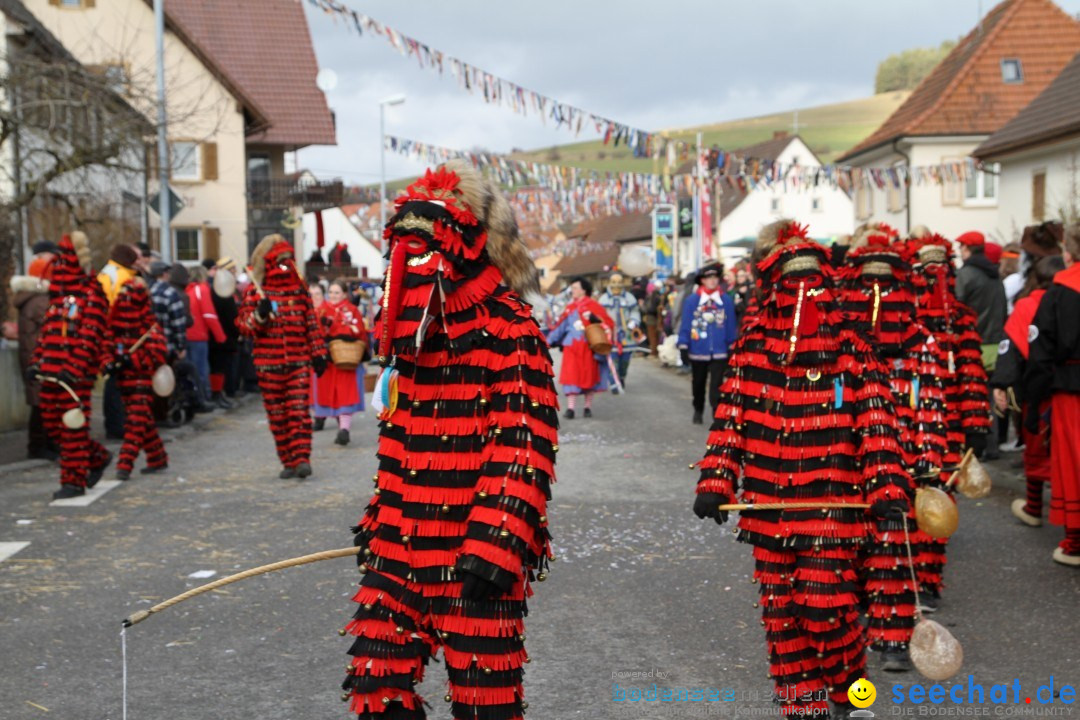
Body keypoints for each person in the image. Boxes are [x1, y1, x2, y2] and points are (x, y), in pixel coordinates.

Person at [343, 161, 558, 720]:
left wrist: (496, 544)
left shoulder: (513, 331)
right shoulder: (407, 339)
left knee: (483, 707)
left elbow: (523, 449)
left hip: (476, 558)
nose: (409, 266)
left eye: (423, 252)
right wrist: (380, 519)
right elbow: (398, 444)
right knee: (374, 685)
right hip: (399, 551)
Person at [692, 220, 911, 718]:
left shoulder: (853, 352)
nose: (802, 295)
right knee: (783, 618)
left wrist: (888, 488)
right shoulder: (750, 353)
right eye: (792, 284)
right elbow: (729, 422)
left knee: (824, 607)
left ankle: (855, 698)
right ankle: (804, 709)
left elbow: (877, 426)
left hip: (833, 504)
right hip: (769, 507)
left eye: (813, 284)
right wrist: (714, 481)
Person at [839, 232, 948, 673]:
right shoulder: (840, 343)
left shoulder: (920, 342)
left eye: (885, 287)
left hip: (900, 458)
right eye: (867, 286)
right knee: (843, 547)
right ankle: (847, 634)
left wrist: (927, 458)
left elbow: (931, 404)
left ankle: (891, 637)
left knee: (893, 546)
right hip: (848, 458)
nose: (877, 298)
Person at [910, 234, 991, 603]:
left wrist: (976, 425)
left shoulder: (959, 319)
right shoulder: (904, 317)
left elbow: (971, 372)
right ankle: (902, 577)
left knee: (939, 496)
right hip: (908, 420)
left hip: (949, 423)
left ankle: (928, 578)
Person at [27, 233, 113, 500]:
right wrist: (37, 362)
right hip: (51, 374)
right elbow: (46, 335)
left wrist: (75, 368)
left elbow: (90, 336)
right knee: (54, 427)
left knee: (72, 427)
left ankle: (74, 481)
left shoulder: (91, 295)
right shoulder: (58, 299)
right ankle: (97, 457)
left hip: (75, 377)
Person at [237, 234, 328, 479]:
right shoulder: (256, 292)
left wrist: (319, 353)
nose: (284, 267)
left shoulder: (299, 291)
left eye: (288, 262)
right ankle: (287, 460)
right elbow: (244, 327)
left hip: (298, 362)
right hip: (269, 364)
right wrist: (260, 316)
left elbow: (311, 323)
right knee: (277, 415)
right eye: (280, 262)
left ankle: (301, 459)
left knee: (298, 412)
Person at [992, 255, 1064, 528]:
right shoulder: (1071, 300)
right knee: (1067, 455)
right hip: (1068, 388)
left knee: (1036, 450)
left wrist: (1002, 384)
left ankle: (1034, 507)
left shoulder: (1026, 305)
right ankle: (1067, 510)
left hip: (1036, 391)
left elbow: (1010, 348)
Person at [1025, 224, 1080, 567]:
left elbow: (1041, 349)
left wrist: (1033, 400)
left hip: (1071, 387)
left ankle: (1075, 541)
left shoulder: (1060, 290)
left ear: (1068, 253)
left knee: (1074, 462)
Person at [104, 275, 169, 480]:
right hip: (123, 380)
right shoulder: (115, 326)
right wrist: (109, 363)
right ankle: (157, 457)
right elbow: (106, 346)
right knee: (143, 421)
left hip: (142, 380)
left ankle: (125, 464)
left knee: (134, 423)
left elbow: (157, 353)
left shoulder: (148, 326)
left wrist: (133, 361)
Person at [11, 241, 60, 461]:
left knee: (42, 402)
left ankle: (45, 444)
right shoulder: (41, 301)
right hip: (40, 359)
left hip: (34, 357)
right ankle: (40, 445)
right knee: (42, 403)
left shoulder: (33, 299)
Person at [678, 263, 737, 425]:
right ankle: (698, 409)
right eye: (708, 278)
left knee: (717, 385)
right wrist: (683, 345)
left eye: (714, 277)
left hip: (720, 350)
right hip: (698, 349)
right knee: (698, 383)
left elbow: (731, 325)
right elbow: (686, 324)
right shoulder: (692, 301)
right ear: (702, 280)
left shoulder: (726, 300)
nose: (712, 281)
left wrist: (732, 345)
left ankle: (716, 413)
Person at [546, 278, 614, 419]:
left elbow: (608, 323)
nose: (572, 291)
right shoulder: (570, 308)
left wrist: (594, 318)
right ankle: (570, 409)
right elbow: (560, 328)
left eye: (575, 288)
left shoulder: (594, 306)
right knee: (571, 377)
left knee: (589, 376)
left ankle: (587, 407)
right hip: (572, 347)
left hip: (588, 348)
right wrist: (546, 342)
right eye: (572, 288)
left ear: (584, 290)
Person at [312, 278, 368, 445]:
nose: (333, 295)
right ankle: (337, 425)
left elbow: (360, 332)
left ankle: (344, 429)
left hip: (346, 359)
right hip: (328, 360)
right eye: (330, 292)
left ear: (344, 294)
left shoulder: (351, 309)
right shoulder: (322, 309)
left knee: (345, 394)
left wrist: (344, 333)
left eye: (336, 292)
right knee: (331, 394)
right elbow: (315, 331)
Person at [98, 244, 141, 440]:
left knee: (112, 379)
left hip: (107, 333)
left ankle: (114, 423)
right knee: (118, 381)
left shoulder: (106, 273)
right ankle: (117, 425)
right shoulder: (123, 278)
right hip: (119, 334)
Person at [185, 265, 226, 403]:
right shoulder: (202, 289)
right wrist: (220, 336)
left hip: (187, 334)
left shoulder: (188, 290)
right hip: (199, 335)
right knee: (201, 368)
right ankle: (204, 397)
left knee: (191, 369)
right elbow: (209, 315)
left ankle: (193, 397)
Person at [205, 258, 241, 409]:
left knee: (221, 367)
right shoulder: (222, 291)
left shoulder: (222, 289)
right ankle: (217, 394)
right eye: (232, 270)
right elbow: (230, 316)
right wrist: (236, 330)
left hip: (224, 335)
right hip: (221, 335)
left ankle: (220, 393)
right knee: (219, 367)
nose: (234, 273)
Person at [598, 272, 641, 391]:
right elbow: (599, 315)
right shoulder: (603, 299)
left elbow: (635, 311)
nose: (616, 285)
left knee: (625, 361)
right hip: (610, 335)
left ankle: (621, 376)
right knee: (613, 359)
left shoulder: (630, 298)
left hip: (626, 335)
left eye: (619, 282)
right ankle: (614, 383)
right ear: (609, 283)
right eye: (614, 282)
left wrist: (633, 321)